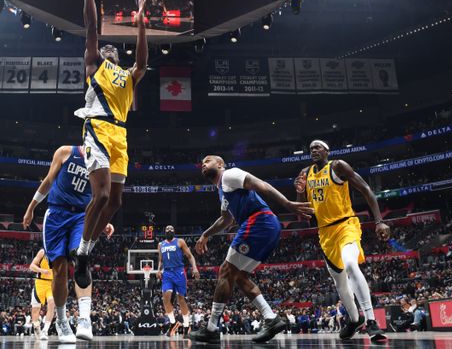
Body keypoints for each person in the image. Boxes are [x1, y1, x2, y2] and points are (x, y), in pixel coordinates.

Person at [73, 0, 148, 289]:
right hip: (98, 130)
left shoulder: (129, 77)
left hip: (120, 136)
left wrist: (142, 21)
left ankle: (86, 250)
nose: (106, 48)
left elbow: (143, 61)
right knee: (101, 196)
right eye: (103, 47)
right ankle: (83, 254)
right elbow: (92, 27)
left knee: (116, 202)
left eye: (111, 47)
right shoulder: (95, 65)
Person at [188, 155, 314, 343]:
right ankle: (271, 318)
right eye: (202, 163)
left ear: (220, 164)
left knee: (225, 271)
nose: (203, 164)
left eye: (208, 161)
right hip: (266, 226)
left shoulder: (230, 174)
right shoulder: (222, 189)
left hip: (259, 221)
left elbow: (261, 184)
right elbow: (226, 219)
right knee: (238, 276)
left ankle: (212, 328)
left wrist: (287, 204)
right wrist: (206, 234)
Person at [295, 140, 389, 341]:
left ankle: (371, 321)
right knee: (340, 283)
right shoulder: (306, 173)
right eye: (311, 148)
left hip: (346, 224)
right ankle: (355, 320)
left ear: (327, 151)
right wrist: (300, 191)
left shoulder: (337, 166)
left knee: (350, 264)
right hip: (325, 233)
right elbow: (304, 215)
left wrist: (379, 221)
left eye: (318, 147)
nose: (314, 150)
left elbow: (366, 189)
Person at [22, 145, 115, 343]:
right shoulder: (65, 152)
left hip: (82, 216)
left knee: (80, 257)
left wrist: (103, 220)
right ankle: (62, 321)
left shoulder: (101, 160)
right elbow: (48, 181)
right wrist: (31, 208)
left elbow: (100, 194)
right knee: (60, 270)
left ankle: (84, 318)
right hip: (56, 213)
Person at [158, 224, 200, 336]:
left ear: (174, 231)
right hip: (167, 273)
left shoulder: (180, 241)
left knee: (181, 299)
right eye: (167, 228)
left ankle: (186, 325)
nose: (169, 229)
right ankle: (173, 322)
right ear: (164, 231)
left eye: (171, 228)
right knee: (165, 298)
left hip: (179, 272)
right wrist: (158, 270)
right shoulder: (160, 244)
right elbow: (160, 260)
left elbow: (190, 256)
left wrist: (194, 268)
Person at [28, 248, 56, 340]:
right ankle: (36, 327)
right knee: (35, 310)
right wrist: (42, 271)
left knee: (51, 303)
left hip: (51, 284)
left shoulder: (60, 251)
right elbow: (31, 266)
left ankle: (45, 330)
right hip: (40, 283)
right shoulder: (42, 252)